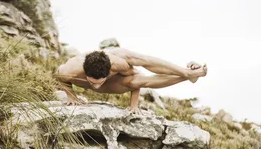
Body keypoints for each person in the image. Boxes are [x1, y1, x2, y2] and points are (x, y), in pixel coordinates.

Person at [56, 47, 207, 113]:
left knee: (135, 67)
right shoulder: (69, 70)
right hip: (88, 74)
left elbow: (136, 77)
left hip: (112, 72)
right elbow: (60, 78)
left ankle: (187, 74)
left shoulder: (118, 64)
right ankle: (189, 76)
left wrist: (133, 104)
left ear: (109, 71)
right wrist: (71, 96)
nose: (95, 87)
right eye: (92, 82)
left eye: (99, 82)